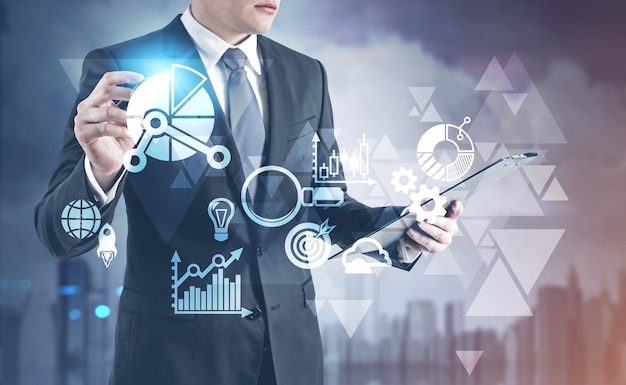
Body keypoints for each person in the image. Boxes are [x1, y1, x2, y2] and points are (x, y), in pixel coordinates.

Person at [34, 0, 463, 384]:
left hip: (290, 360)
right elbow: (60, 236)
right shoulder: (124, 66)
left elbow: (325, 208)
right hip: (172, 361)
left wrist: (402, 229)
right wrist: (101, 170)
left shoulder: (307, 74)